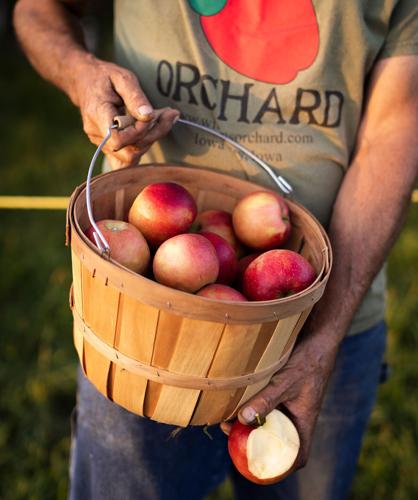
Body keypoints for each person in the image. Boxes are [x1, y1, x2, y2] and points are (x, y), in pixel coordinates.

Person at [13, 1, 418, 499]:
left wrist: (323, 338)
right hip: (147, 329)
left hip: (318, 320)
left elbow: (396, 126)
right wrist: (81, 73)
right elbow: (37, 10)